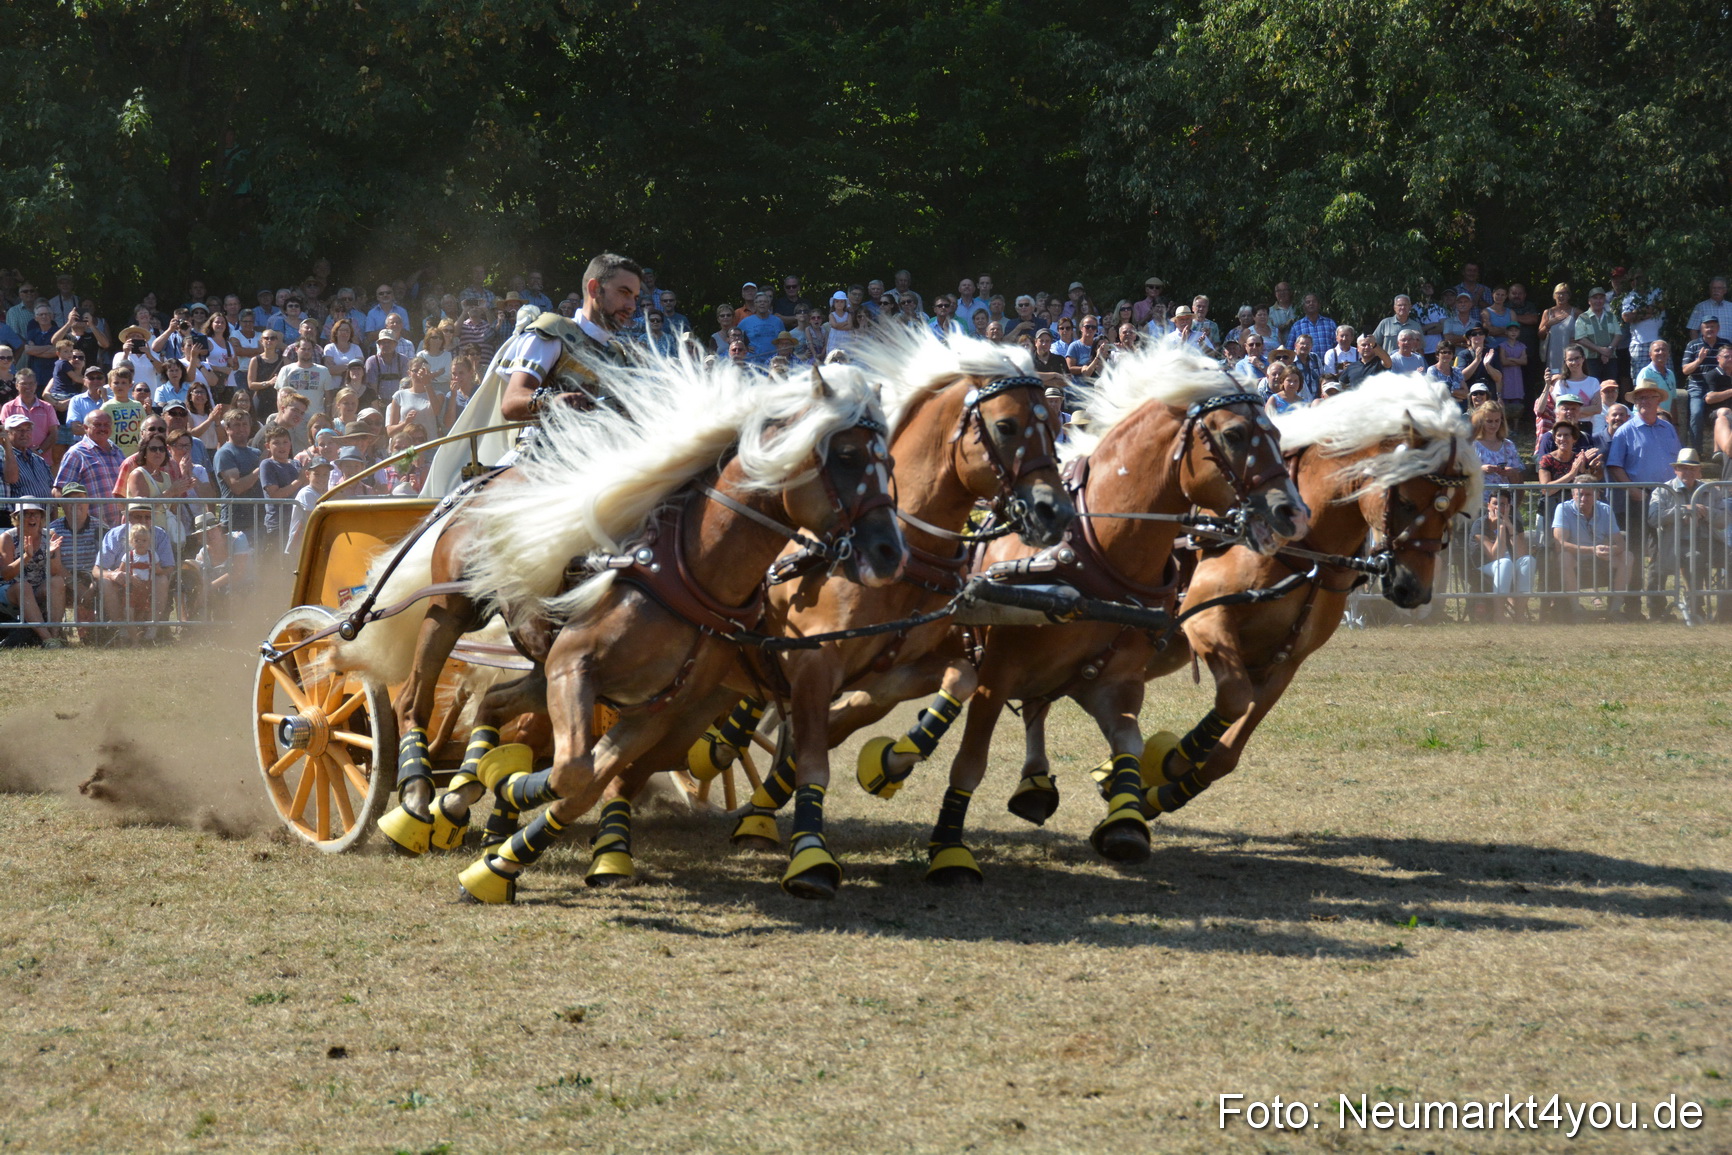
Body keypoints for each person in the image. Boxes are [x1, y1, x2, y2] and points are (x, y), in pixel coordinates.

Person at [496, 252, 641, 427]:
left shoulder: (618, 353)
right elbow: (511, 404)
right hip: (546, 450)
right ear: (594, 288)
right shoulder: (553, 331)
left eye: (635, 298)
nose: (632, 306)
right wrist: (553, 402)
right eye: (624, 292)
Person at [1607, 377, 1682, 619]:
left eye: (1648, 397)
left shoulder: (1668, 428)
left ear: (1658, 400)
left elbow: (1678, 462)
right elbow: (1615, 466)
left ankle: (1657, 607)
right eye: (1639, 397)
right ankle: (1632, 608)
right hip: (1638, 500)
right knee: (1636, 554)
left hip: (1665, 498)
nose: (1643, 401)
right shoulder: (1625, 431)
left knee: (1661, 554)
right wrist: (1632, 490)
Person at [1645, 449, 1721, 622]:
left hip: (1704, 541)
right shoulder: (1662, 490)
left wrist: (1706, 512)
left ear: (1699, 471)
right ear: (1675, 470)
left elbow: (1725, 519)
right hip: (1670, 541)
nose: (1688, 472)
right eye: (1683, 468)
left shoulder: (1710, 490)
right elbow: (1653, 518)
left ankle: (1714, 609)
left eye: (1692, 469)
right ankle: (1657, 611)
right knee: (1658, 565)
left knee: (1702, 557)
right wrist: (1682, 510)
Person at [1552, 485, 1635, 620]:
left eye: (1589, 495)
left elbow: (1621, 544)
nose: (1584, 498)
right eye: (1580, 494)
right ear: (1573, 495)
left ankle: (1614, 610)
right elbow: (1559, 544)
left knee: (1628, 556)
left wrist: (1610, 550)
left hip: (1601, 557)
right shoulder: (1563, 509)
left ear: (1597, 495)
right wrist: (1592, 550)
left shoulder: (1605, 509)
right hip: (1575, 556)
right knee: (1564, 557)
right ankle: (1576, 610)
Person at [95, 502, 174, 643]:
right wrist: (113, 575)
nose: (143, 521)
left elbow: (169, 567)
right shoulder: (114, 535)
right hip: (122, 583)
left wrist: (156, 571)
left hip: (149, 581)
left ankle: (151, 630)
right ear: (128, 518)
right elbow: (96, 570)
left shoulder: (160, 535)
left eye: (148, 517)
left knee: (162, 580)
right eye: (138, 517)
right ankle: (122, 630)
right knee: (105, 582)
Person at [0, 502, 67, 646]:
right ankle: (47, 639)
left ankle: (55, 637)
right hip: (11, 591)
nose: (32, 517)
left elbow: (56, 572)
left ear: (41, 517)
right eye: (26, 514)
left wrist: (52, 554)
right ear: (17, 518)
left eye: (35, 513)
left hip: (38, 589)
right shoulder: (7, 538)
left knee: (57, 582)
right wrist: (26, 557)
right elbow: (6, 575)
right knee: (23, 587)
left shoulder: (50, 535)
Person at [54, 408, 126, 526]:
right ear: (86, 428)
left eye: (106, 425)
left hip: (119, 529)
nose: (103, 428)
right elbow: (59, 491)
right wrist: (77, 522)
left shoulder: (118, 451)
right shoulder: (76, 454)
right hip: (91, 530)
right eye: (97, 425)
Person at [46, 482, 102, 631]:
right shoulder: (52, 530)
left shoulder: (101, 527)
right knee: (55, 582)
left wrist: (91, 586)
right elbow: (55, 566)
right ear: (62, 504)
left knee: (106, 582)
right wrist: (78, 587)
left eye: (79, 498)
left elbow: (105, 563)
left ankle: (104, 632)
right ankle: (55, 635)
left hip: (93, 580)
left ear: (87, 502)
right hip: (65, 580)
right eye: (69, 500)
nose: (75, 503)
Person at [1471, 490, 1534, 622]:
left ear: (1509, 506)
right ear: (1488, 505)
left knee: (1528, 561)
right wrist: (1500, 527)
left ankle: (1519, 614)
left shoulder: (1514, 522)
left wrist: (1509, 527)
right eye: (1495, 504)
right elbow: (1495, 555)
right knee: (1505, 563)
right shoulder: (1480, 524)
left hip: (1508, 564)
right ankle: (1498, 615)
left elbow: (1522, 553)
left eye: (1503, 504)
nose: (1498, 507)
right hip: (1484, 565)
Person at [1680, 317, 1728, 453]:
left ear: (1718, 328)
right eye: (1707, 327)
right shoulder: (1693, 345)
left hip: (1720, 388)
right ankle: (1696, 452)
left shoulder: (1725, 345)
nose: (1710, 329)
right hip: (1698, 387)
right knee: (1696, 413)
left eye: (1713, 326)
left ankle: (1724, 452)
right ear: (1701, 329)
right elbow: (1685, 370)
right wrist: (1699, 360)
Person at [213, 410, 263, 535]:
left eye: (245, 424)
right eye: (237, 425)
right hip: (235, 523)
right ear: (227, 428)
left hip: (258, 520)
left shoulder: (256, 453)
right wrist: (262, 467)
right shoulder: (225, 453)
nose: (242, 428)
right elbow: (237, 487)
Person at [1, 413, 54, 508]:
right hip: (20, 519)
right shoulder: (4, 458)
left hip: (44, 518)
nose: (24, 434)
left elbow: (51, 492)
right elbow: (11, 479)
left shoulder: (39, 460)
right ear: (7, 433)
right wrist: (7, 446)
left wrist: (52, 521)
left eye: (28, 430)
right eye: (19, 430)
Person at [1570, 286, 1621, 381]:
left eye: (1601, 298)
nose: (1598, 301)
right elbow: (1581, 339)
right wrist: (1601, 350)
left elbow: (1618, 334)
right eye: (1595, 298)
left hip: (1610, 358)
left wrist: (1608, 350)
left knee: (1611, 387)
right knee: (1593, 388)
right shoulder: (1583, 318)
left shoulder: (1611, 316)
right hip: (1591, 361)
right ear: (1589, 301)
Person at [387, 354, 441, 439]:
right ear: (409, 373)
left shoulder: (438, 395)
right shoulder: (399, 395)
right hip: (407, 448)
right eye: (415, 371)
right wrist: (405, 423)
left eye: (422, 370)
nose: (419, 374)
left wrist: (427, 383)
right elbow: (390, 432)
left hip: (430, 446)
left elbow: (436, 411)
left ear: (428, 372)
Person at [1471, 401, 1523, 489]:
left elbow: (1516, 482)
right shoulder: (1472, 445)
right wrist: (1480, 470)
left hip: (1503, 499)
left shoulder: (1508, 445)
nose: (1494, 425)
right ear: (1482, 421)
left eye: (1497, 421)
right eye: (1489, 421)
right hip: (1478, 499)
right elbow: (1461, 474)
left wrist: (1512, 473)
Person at [246, 329, 287, 421]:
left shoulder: (284, 360)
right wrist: (268, 383)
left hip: (278, 400)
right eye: (266, 338)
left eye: (272, 338)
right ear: (261, 341)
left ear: (277, 341)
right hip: (261, 400)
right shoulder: (255, 360)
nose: (269, 341)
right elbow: (251, 385)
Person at [1455, 326, 1503, 398]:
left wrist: (1487, 365)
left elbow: (1498, 378)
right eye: (1474, 334)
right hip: (1471, 394)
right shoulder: (1463, 354)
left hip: (1489, 393)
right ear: (1470, 338)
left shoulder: (1492, 352)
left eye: (1481, 333)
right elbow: (1462, 377)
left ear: (1484, 336)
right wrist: (1477, 360)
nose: (1478, 335)